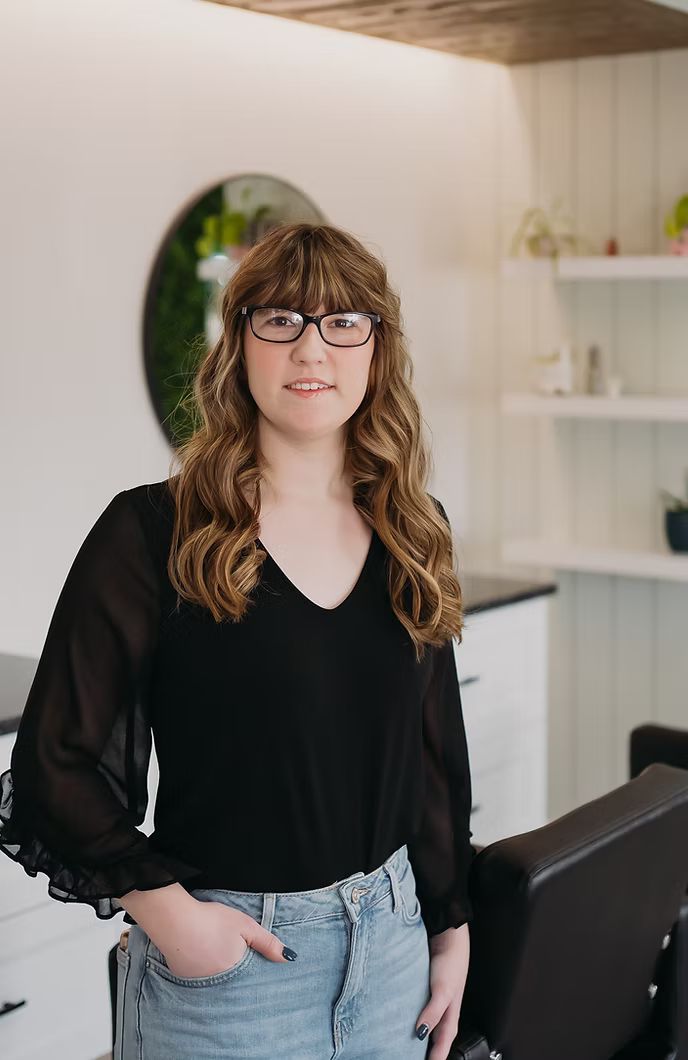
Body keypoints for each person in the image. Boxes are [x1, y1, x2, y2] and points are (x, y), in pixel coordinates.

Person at [0, 222, 475, 1060]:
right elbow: (54, 766)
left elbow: (434, 752)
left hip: (395, 953)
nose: (312, 349)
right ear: (239, 343)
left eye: (343, 321)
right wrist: (172, 918)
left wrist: (450, 923)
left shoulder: (414, 528)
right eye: (280, 320)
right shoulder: (152, 532)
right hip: (230, 982)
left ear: (376, 348)